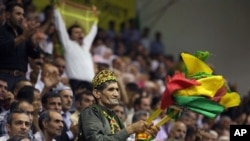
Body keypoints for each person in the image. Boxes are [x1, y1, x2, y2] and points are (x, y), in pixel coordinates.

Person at [78, 69, 159, 140]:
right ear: (97, 93)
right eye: (111, 90)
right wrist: (130, 129)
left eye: (117, 90)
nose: (116, 94)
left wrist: (144, 136)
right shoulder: (90, 112)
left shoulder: (115, 118)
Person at [53, 5, 98, 91]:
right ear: (70, 36)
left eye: (81, 32)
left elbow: (93, 32)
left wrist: (95, 17)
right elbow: (61, 28)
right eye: (76, 32)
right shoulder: (68, 44)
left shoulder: (86, 45)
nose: (80, 34)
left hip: (90, 84)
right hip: (76, 83)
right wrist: (57, 10)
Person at [0, 2, 41, 91]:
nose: (21, 17)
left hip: (22, 78)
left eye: (23, 14)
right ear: (8, 15)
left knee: (26, 103)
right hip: (4, 77)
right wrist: (23, 37)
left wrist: (32, 37)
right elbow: (3, 49)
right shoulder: (2, 31)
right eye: (18, 14)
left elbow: (36, 54)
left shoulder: (23, 32)